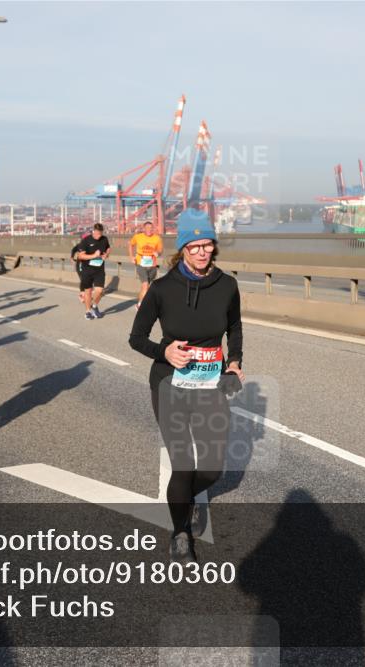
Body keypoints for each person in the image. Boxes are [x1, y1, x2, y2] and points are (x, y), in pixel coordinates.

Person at [129, 208, 244, 562]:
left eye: (207, 244)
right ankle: (181, 532)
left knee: (211, 468)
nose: (202, 252)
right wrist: (164, 351)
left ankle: (187, 499)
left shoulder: (227, 285)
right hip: (170, 385)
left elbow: (234, 327)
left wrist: (235, 362)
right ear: (183, 249)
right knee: (183, 465)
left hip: (211, 386)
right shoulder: (162, 289)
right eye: (194, 246)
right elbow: (136, 338)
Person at [72, 223, 111, 319]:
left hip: (99, 270)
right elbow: (81, 256)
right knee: (88, 292)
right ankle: (88, 312)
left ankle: (94, 306)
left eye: (100, 234)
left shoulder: (104, 239)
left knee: (100, 291)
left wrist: (106, 254)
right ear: (93, 231)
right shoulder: (86, 240)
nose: (98, 236)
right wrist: (94, 255)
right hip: (87, 270)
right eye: (97, 233)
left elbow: (108, 248)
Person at [129, 221, 163, 309]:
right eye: (147, 228)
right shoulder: (138, 237)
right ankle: (141, 306)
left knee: (146, 287)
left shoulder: (157, 238)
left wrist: (158, 253)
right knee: (145, 285)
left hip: (152, 264)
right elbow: (130, 244)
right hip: (140, 263)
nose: (149, 230)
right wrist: (131, 256)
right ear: (143, 229)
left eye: (151, 228)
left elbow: (160, 250)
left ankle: (139, 303)